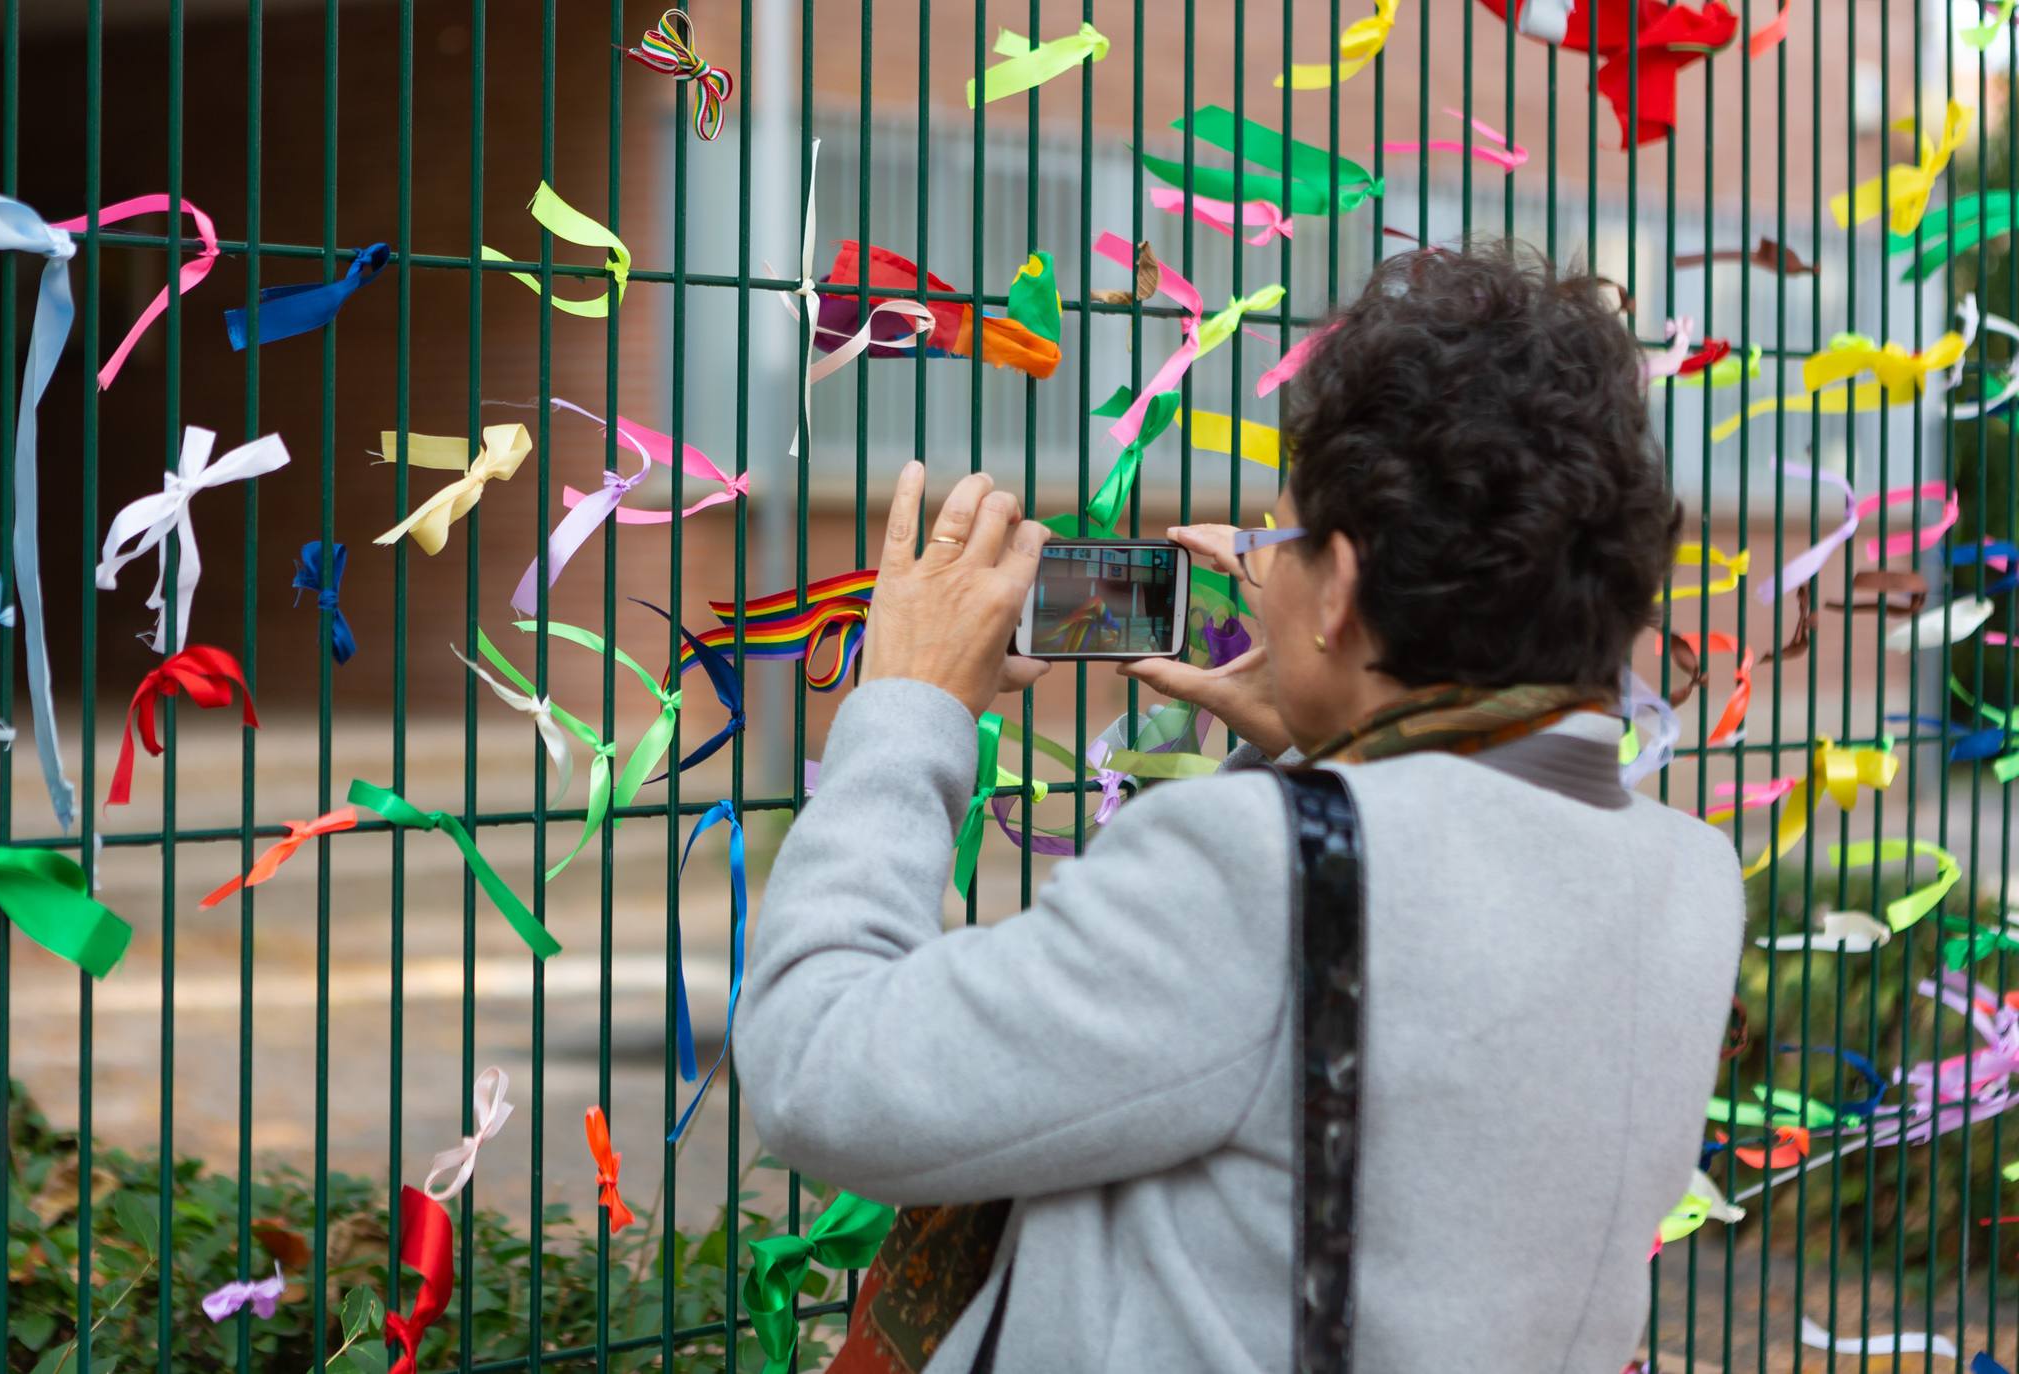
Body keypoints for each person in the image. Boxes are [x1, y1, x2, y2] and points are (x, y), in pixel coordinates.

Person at [734, 245, 1744, 1372]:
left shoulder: (1263, 873)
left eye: (1274, 545)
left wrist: (906, 706)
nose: (1252, 575)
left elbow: (819, 1067)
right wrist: (1329, 742)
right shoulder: (1688, 875)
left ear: (1342, 590)